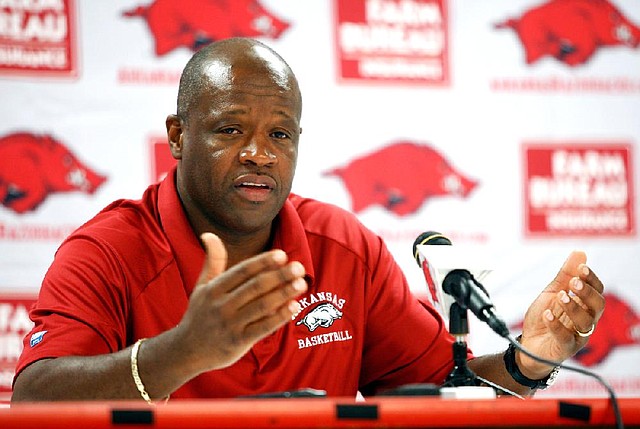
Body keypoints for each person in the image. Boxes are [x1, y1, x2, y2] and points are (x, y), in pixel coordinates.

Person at [11, 37, 605, 402]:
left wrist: (529, 360)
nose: (258, 153)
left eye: (279, 134)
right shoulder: (108, 249)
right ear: (176, 136)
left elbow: (441, 394)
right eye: (228, 130)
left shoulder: (345, 247)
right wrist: (185, 351)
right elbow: (36, 400)